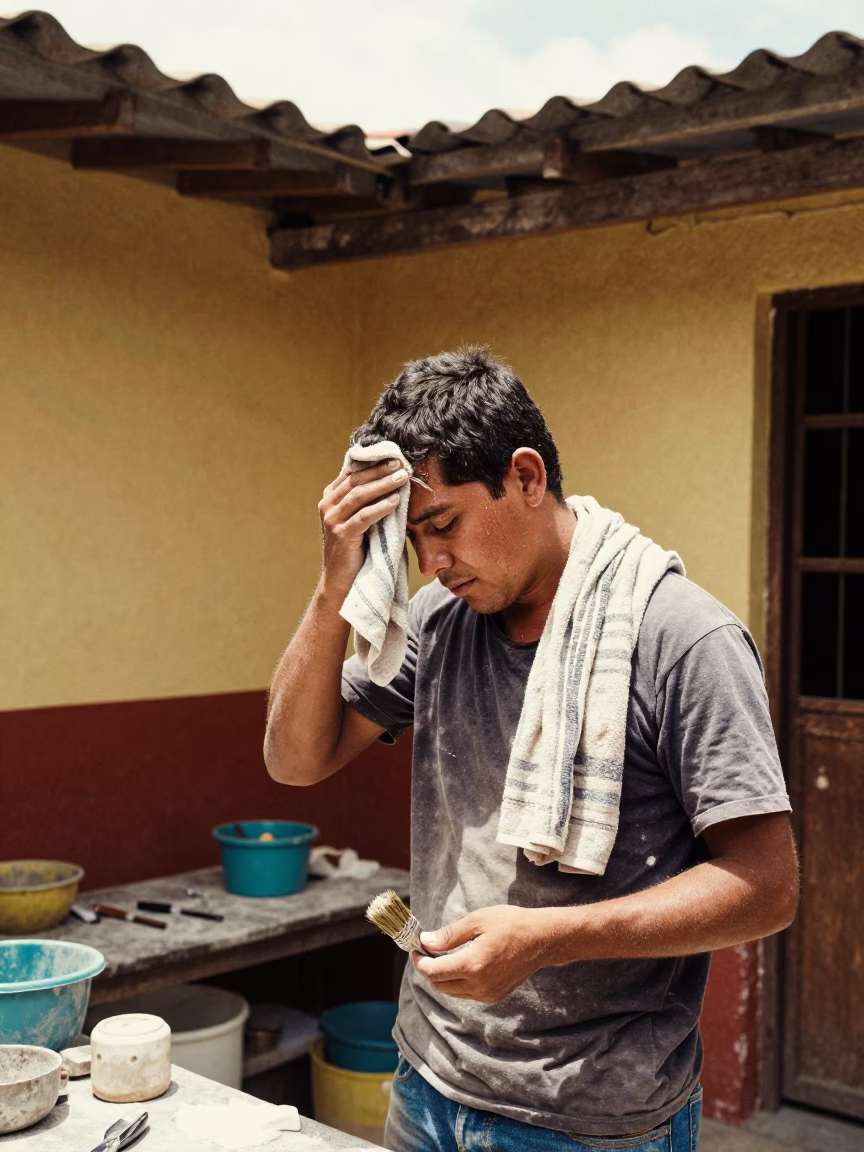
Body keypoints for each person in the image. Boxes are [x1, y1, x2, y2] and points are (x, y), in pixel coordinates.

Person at [264, 348, 798, 1152]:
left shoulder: (681, 638)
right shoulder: (439, 626)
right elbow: (295, 762)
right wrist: (334, 584)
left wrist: (551, 938)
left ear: (524, 476)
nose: (432, 564)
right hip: (428, 1080)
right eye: (410, 540)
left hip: (591, 1118)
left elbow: (768, 887)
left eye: (443, 525)